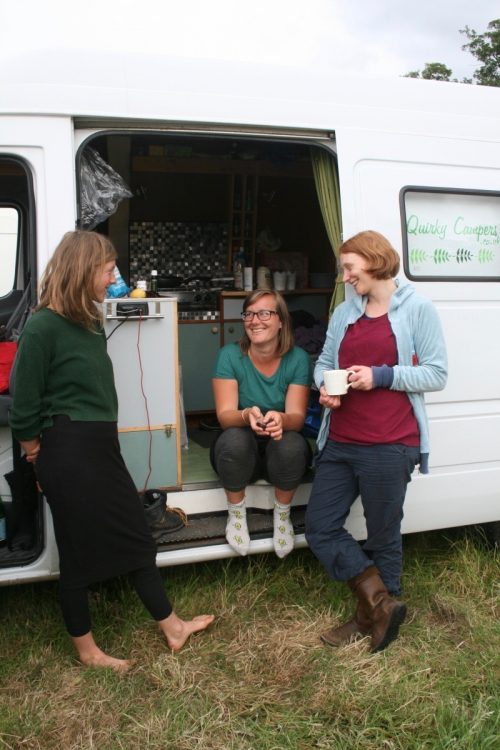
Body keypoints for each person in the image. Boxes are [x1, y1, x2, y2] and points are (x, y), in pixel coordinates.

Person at [9, 230, 214, 672]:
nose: (112, 278)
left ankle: (173, 627)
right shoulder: (43, 325)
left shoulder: (87, 321)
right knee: (78, 551)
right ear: (83, 270)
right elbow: (24, 403)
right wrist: (35, 455)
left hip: (97, 448)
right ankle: (88, 653)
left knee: (137, 536)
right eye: (107, 269)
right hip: (68, 448)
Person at [305, 230, 447, 652]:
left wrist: (380, 375)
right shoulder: (345, 312)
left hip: (390, 442)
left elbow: (437, 373)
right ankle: (379, 607)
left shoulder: (417, 308)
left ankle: (373, 619)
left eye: (349, 267)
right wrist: (324, 388)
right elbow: (325, 362)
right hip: (342, 440)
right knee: (320, 527)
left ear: (374, 260)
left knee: (383, 535)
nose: (345, 276)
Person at [212, 289, 311, 559]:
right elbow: (224, 415)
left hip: (278, 448)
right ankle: (236, 515)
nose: (255, 320)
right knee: (233, 439)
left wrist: (281, 419)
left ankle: (282, 518)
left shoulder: (298, 358)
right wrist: (247, 415)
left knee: (292, 444)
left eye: (265, 313)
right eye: (249, 314)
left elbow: (297, 418)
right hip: (243, 448)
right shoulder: (230, 356)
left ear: (281, 321)